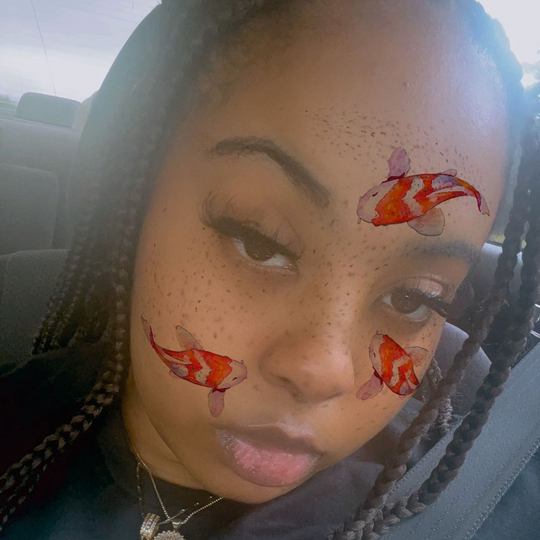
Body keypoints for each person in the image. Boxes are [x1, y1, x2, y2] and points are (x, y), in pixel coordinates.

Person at [0, 0, 539, 538]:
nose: (321, 371)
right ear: (133, 203)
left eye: (412, 298)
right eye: (260, 244)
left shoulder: (472, 503)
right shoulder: (17, 434)